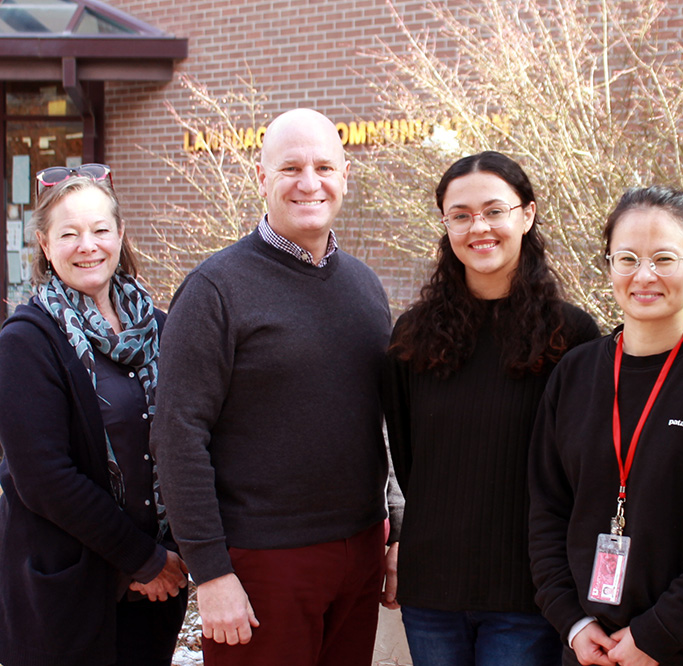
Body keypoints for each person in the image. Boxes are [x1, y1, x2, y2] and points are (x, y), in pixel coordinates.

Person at [149, 108, 402, 666]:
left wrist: (393, 532)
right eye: (290, 167)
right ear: (262, 179)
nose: (309, 183)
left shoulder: (364, 286)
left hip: (359, 551)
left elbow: (381, 423)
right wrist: (212, 572)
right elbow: (177, 436)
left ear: (344, 175)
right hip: (261, 564)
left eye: (323, 166)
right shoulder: (215, 289)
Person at [383, 151, 599, 665]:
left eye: (494, 210)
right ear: (445, 225)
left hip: (528, 594)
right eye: (460, 215)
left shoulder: (572, 336)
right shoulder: (411, 337)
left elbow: (579, 470)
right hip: (431, 589)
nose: (478, 227)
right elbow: (409, 462)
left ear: (525, 215)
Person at [529, 185, 683, 666]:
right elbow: (546, 510)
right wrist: (572, 621)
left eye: (665, 258)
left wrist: (659, 632)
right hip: (588, 648)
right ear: (610, 266)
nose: (644, 275)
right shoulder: (575, 372)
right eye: (627, 258)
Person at [0, 168, 188, 666]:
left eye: (101, 230)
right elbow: (44, 480)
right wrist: (145, 560)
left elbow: (188, 441)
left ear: (120, 234)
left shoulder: (161, 329)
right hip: (71, 597)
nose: (88, 245)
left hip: (155, 596)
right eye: (69, 233)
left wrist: (176, 554)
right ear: (43, 243)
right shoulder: (25, 343)